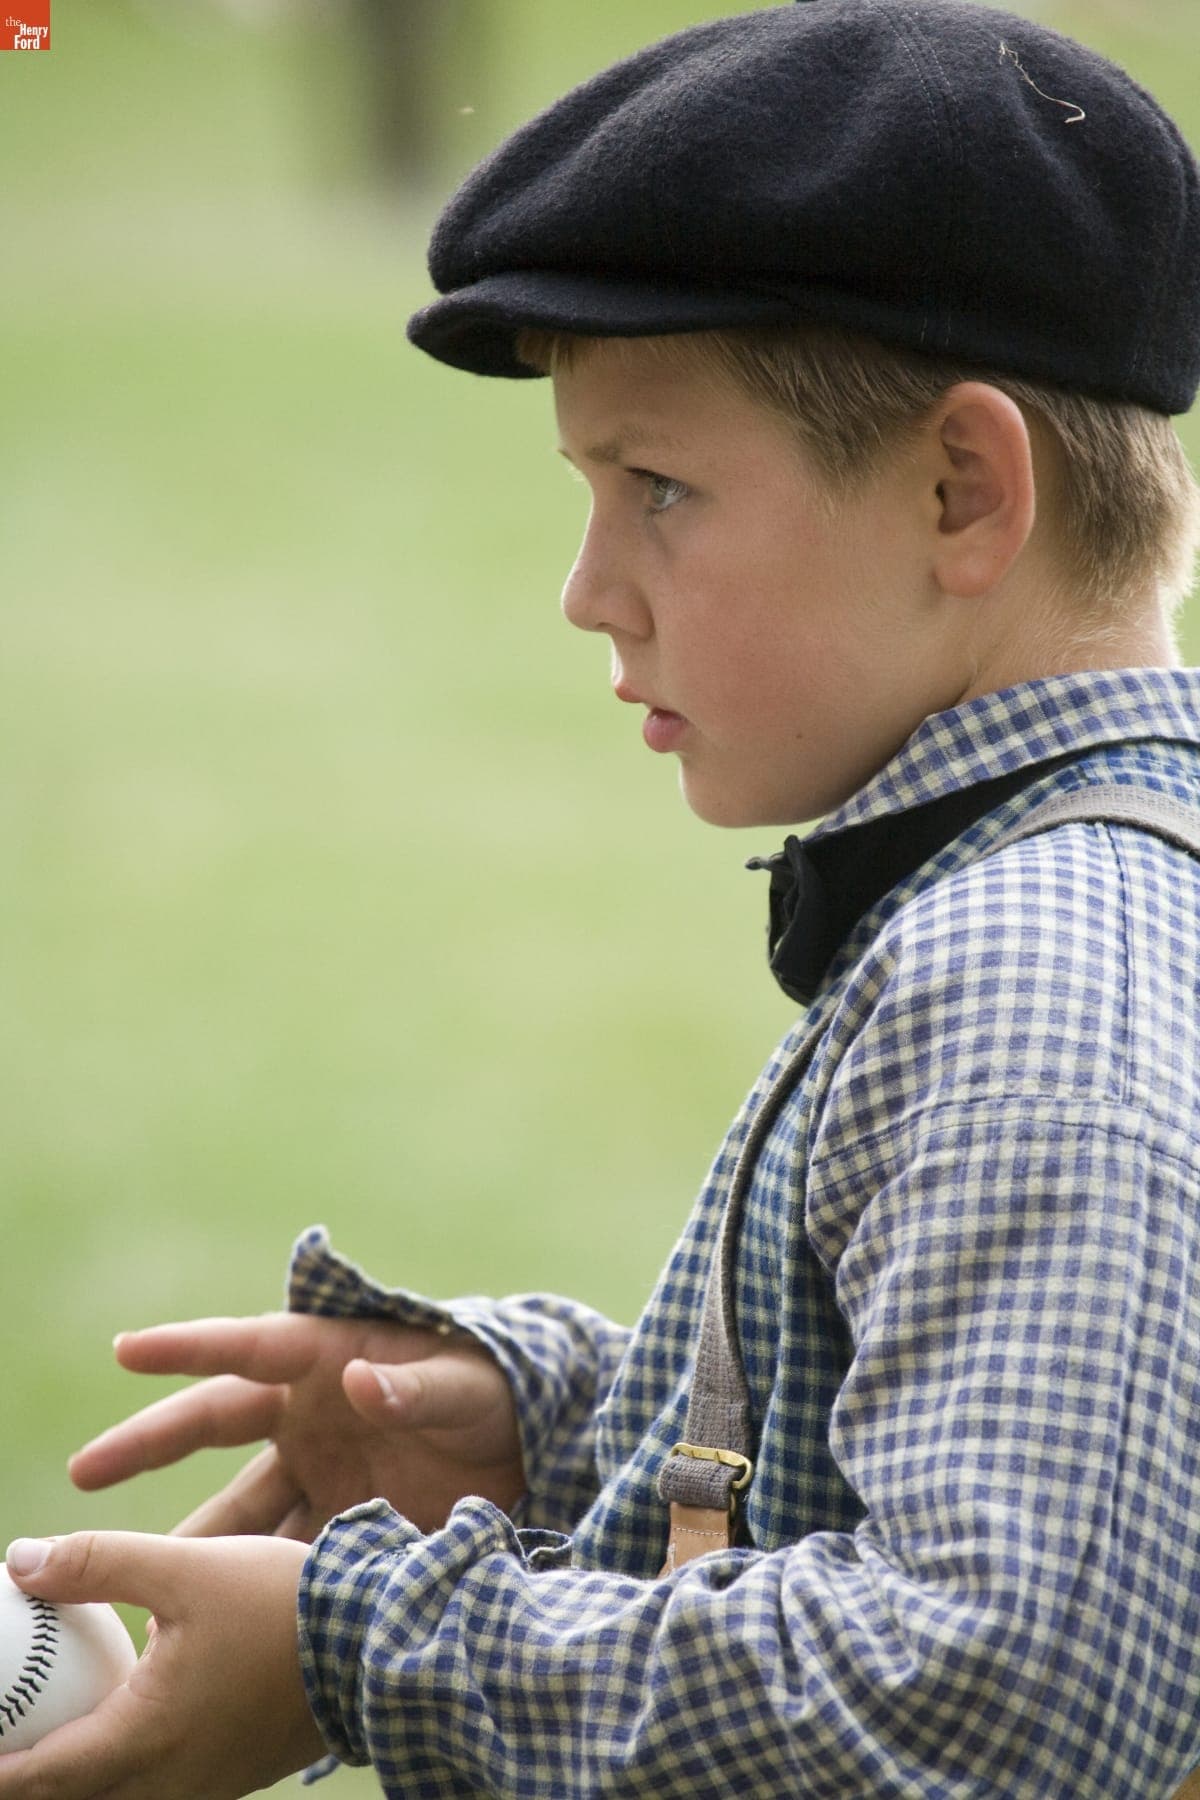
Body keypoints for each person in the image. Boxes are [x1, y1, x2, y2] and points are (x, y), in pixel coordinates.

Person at [5, 2, 1200, 1794]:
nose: (587, 592)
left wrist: (364, 1658)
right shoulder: (1062, 902)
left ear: (964, 490)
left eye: (659, 490)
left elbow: (1000, 1692)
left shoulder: (1032, 973)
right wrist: (557, 1438)